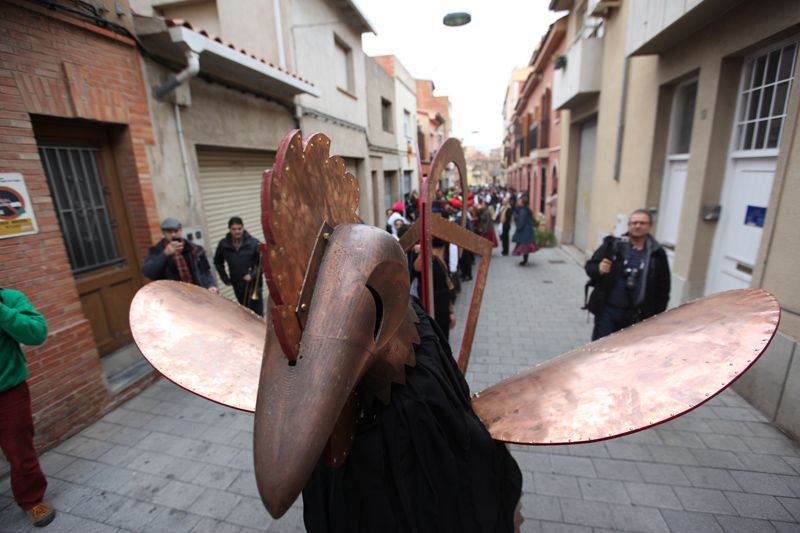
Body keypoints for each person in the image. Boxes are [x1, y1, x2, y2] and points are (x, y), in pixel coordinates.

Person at [0, 286, 56, 527]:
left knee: (20, 452)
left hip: (8, 392)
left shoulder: (9, 298)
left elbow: (36, 333)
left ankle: (32, 500)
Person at [585, 209, 671, 341]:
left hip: (638, 315)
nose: (637, 226)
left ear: (650, 226)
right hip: (608, 311)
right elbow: (590, 267)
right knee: (599, 351)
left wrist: (656, 316)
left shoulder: (657, 253)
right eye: (634, 223)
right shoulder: (613, 245)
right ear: (629, 225)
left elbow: (663, 287)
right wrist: (599, 268)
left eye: (642, 223)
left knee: (628, 353)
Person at [142, 217, 218, 292]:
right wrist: (165, 254)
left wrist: (211, 285)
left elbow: (205, 271)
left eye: (175, 231)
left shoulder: (195, 249)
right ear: (163, 232)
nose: (173, 234)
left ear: (180, 230)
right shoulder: (156, 251)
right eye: (169, 231)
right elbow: (149, 273)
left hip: (196, 293)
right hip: (174, 297)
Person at [213, 216, 264, 316]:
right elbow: (217, 262)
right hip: (238, 286)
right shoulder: (223, 245)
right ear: (230, 230)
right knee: (244, 313)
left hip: (254, 286)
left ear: (243, 228)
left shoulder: (254, 243)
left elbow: (263, 264)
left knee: (257, 315)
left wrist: (252, 275)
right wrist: (224, 278)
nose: (237, 231)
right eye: (234, 229)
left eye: (239, 228)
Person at [511, 196, 538, 266]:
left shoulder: (523, 211)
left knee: (525, 247)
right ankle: (525, 261)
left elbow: (521, 222)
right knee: (526, 247)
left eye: (519, 201)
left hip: (525, 232)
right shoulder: (526, 209)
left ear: (523, 203)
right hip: (527, 231)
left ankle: (525, 261)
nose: (518, 202)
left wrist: (516, 219)